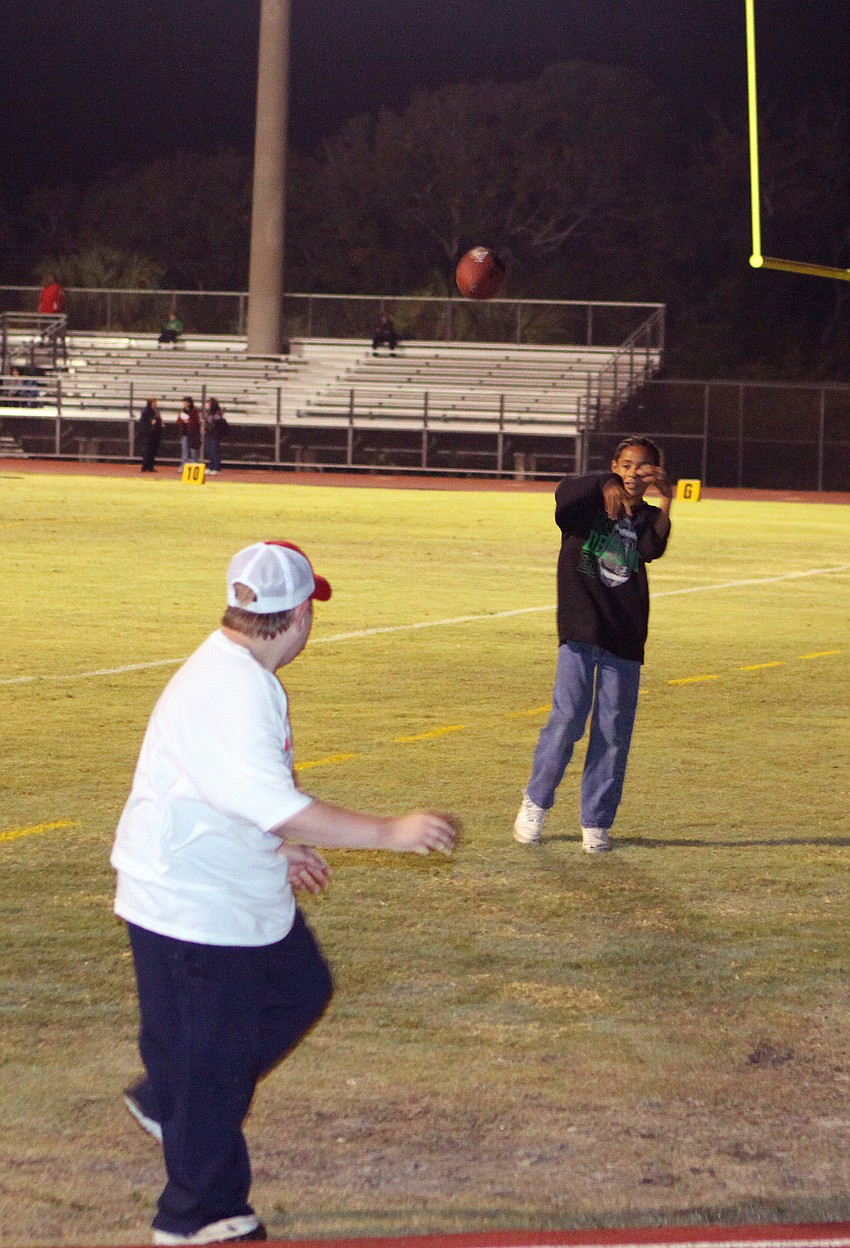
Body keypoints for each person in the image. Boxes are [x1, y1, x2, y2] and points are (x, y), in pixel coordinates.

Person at [111, 540, 458, 1245]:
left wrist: (274, 845)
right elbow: (275, 800)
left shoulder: (233, 670)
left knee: (296, 985)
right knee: (213, 1062)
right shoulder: (236, 690)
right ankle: (199, 1217)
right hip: (192, 906)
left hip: (212, 883)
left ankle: (171, 1098)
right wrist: (393, 831)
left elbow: (231, 792)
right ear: (300, 614)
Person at [513, 436, 673, 854]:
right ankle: (536, 802)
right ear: (614, 466)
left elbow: (653, 548)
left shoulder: (645, 517)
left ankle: (596, 821)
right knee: (567, 718)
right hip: (581, 627)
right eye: (626, 465)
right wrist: (605, 481)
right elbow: (565, 490)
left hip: (625, 632)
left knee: (614, 731)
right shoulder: (585, 504)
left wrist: (668, 501)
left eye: (644, 467)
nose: (635, 473)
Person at [203, 397, 228, 474]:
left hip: (214, 434)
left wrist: (209, 426)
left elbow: (216, 423)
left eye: (209, 403)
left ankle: (217, 468)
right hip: (209, 433)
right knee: (209, 450)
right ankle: (211, 466)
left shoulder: (217, 412)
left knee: (214, 450)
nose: (208, 404)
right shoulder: (209, 412)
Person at [138, 398, 164, 473]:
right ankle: (145, 466)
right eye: (154, 402)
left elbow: (158, 419)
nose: (155, 404)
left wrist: (160, 423)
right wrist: (150, 423)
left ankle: (150, 466)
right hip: (148, 433)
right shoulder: (146, 411)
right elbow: (142, 422)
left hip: (156, 432)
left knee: (153, 450)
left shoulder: (156, 410)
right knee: (148, 450)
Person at [176, 397, 200, 465]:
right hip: (184, 432)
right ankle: (184, 465)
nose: (183, 404)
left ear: (188, 403)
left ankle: (194, 464)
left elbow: (196, 422)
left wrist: (189, 421)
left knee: (193, 450)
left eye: (184, 402)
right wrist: (181, 420)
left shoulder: (195, 411)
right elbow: (178, 421)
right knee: (184, 449)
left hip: (193, 433)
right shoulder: (182, 411)